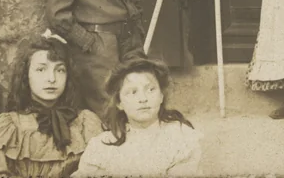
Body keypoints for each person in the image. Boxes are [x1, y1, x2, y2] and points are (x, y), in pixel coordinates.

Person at [0, 36, 104, 177]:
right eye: (41, 70)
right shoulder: (9, 126)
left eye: (60, 70)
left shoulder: (87, 123)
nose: (51, 79)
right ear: (26, 76)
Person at [75, 57, 203, 177]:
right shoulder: (101, 146)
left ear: (161, 96)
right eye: (133, 92)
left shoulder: (181, 138)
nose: (143, 99)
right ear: (119, 103)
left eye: (151, 90)